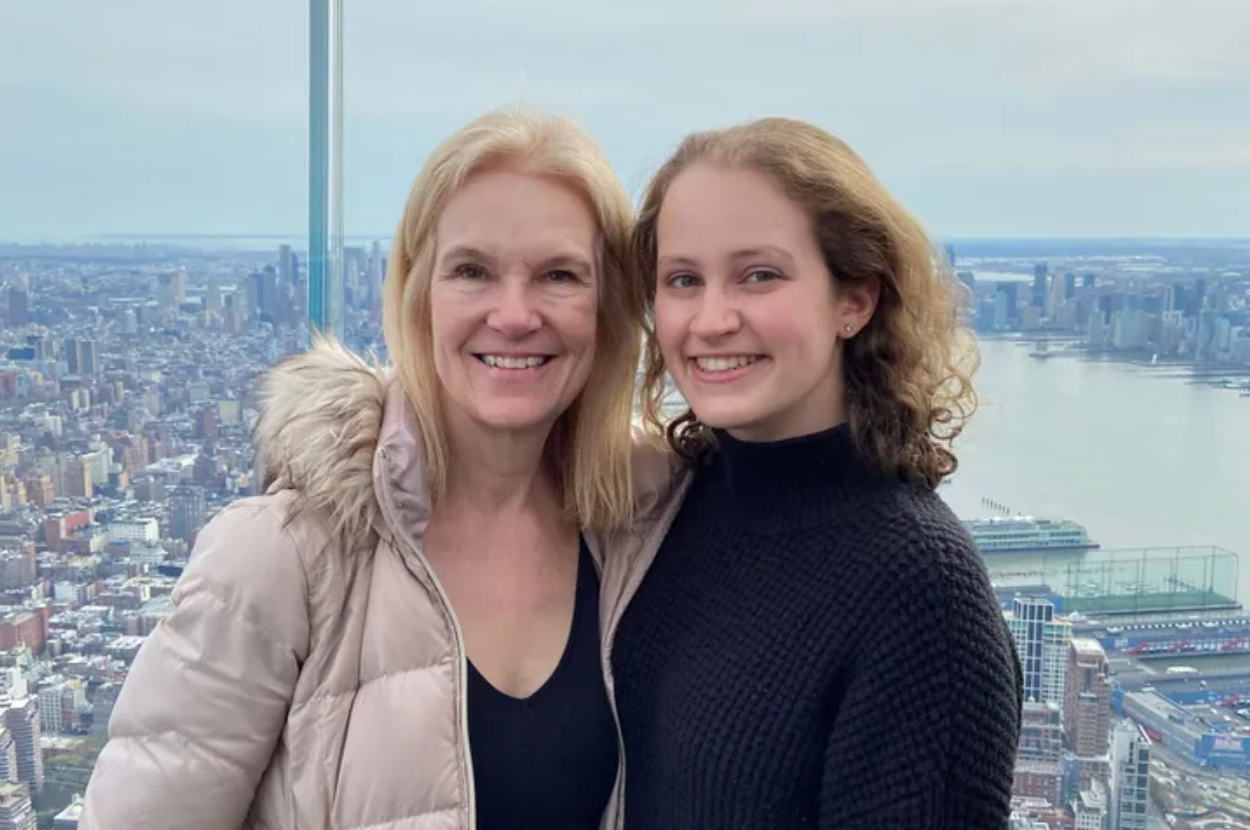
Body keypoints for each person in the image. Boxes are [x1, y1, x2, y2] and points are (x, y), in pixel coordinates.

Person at [79, 109, 674, 830]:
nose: (514, 315)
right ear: (417, 294)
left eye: (559, 275)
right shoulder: (284, 555)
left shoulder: (648, 533)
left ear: (607, 306)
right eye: (472, 271)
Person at [612, 117, 1024, 829]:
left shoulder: (922, 592)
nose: (710, 319)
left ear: (853, 301)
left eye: (759, 275)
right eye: (683, 279)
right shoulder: (666, 510)